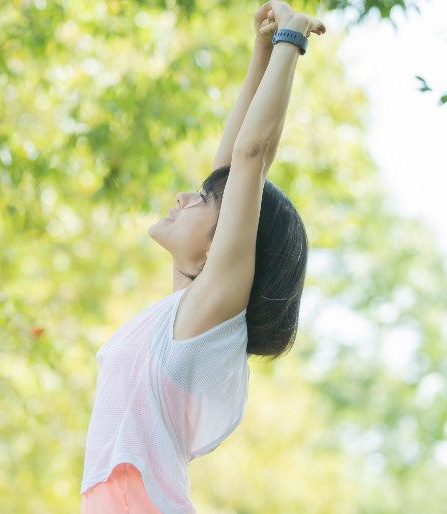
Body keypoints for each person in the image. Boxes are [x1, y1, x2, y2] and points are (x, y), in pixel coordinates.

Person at [80, 1, 325, 512]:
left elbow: (250, 158)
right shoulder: (183, 312)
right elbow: (232, 166)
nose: (184, 197)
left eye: (203, 200)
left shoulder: (205, 314)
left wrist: (291, 41)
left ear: (222, 245)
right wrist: (262, 50)